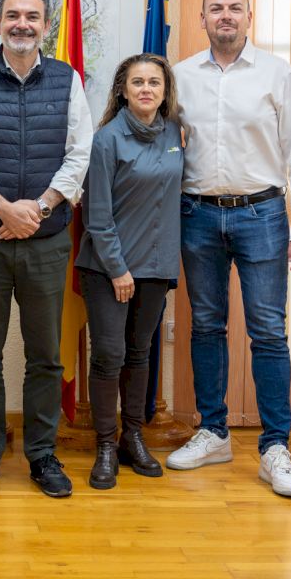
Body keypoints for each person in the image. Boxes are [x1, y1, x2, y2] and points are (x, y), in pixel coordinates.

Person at [165, 0, 291, 498]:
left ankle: (275, 447)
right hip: (198, 215)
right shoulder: (180, 76)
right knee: (206, 327)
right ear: (203, 18)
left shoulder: (278, 74)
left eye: (235, 7)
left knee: (269, 332)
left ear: (248, 17)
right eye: (216, 8)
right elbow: (158, 145)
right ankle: (213, 432)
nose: (226, 16)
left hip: (263, 215)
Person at [0, 0, 93, 497]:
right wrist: (4, 209)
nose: (22, 24)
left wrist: (40, 209)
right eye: (12, 15)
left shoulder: (68, 79)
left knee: (45, 355)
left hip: (46, 240)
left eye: (32, 16)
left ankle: (42, 454)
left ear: (46, 26)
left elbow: (79, 152)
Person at [76, 53, 183, 490]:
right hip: (107, 268)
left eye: (154, 82)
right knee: (109, 353)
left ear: (165, 90)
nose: (146, 89)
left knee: (140, 353)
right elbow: (97, 216)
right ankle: (105, 444)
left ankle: (132, 437)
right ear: (123, 90)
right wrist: (119, 270)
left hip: (155, 266)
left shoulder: (175, 134)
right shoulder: (107, 139)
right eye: (137, 82)